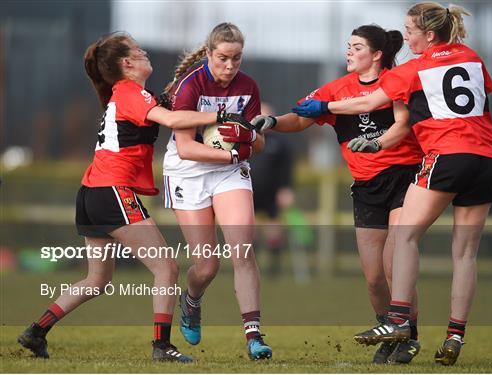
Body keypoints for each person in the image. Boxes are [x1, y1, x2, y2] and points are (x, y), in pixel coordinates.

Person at [292, 2, 492, 366]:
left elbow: (368, 101)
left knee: (404, 236)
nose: (404, 36)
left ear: (429, 35)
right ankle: (454, 336)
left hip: (447, 156)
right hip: (486, 159)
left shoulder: (414, 68)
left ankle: (399, 319)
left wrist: (323, 108)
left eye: (410, 30)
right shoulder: (472, 57)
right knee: (465, 254)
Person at [16, 31, 239, 363]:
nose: (144, 52)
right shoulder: (131, 93)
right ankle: (161, 347)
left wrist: (166, 100)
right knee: (167, 267)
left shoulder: (128, 94)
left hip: (92, 193)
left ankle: (36, 331)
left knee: (97, 280)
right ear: (127, 63)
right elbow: (175, 119)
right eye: (138, 51)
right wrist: (220, 116)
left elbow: (158, 114)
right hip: (111, 191)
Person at [253, 25, 424, 364]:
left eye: (356, 47)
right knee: (374, 277)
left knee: (394, 261)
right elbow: (300, 119)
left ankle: (408, 333)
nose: (348, 52)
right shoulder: (336, 89)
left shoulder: (396, 82)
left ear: (376, 54)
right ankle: (387, 331)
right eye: (348, 46)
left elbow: (403, 125)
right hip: (365, 186)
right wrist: (272, 121)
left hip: (405, 177)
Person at [162, 23, 272, 360]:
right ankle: (192, 300)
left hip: (228, 172)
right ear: (209, 54)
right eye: (222, 58)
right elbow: (186, 148)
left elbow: (259, 143)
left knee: (242, 248)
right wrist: (231, 152)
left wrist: (250, 136)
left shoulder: (248, 86)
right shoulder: (189, 86)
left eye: (236, 59)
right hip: (189, 171)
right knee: (207, 266)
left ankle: (254, 336)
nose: (229, 66)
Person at [250, 102, 295, 277]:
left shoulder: (280, 143)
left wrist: (286, 189)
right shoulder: (247, 139)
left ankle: (274, 271)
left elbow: (287, 168)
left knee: (274, 232)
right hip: (249, 192)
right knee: (249, 233)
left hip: (271, 194)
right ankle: (251, 268)